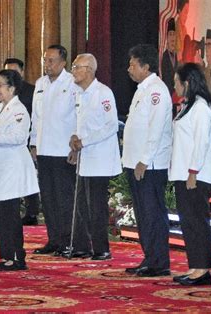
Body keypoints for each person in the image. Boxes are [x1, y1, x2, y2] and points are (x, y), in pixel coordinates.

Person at [0, 69, 39, 271]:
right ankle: (6, 256)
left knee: (10, 214)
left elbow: (18, 137)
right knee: (0, 214)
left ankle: (17, 257)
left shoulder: (19, 110)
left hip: (12, 167)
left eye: (0, 85)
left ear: (12, 88)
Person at [123, 44, 173, 277]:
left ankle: (159, 262)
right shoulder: (142, 89)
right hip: (136, 163)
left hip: (150, 165)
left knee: (152, 213)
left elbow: (155, 129)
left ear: (146, 66)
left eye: (133, 64)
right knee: (143, 214)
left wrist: (144, 160)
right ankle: (150, 257)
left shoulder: (156, 90)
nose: (129, 69)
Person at [68, 53, 122, 260]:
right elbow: (80, 123)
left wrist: (85, 141)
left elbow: (110, 126)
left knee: (97, 206)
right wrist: (74, 140)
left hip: (100, 159)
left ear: (89, 69)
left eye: (76, 66)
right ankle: (84, 245)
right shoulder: (79, 93)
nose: (73, 71)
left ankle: (102, 248)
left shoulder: (103, 93)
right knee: (82, 204)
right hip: (85, 158)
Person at [169, 63, 211, 285]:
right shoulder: (188, 106)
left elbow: (202, 141)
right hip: (183, 173)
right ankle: (195, 266)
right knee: (188, 222)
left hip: (195, 174)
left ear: (187, 83)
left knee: (197, 221)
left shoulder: (201, 107)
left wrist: (193, 171)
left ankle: (203, 269)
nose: (175, 86)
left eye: (177, 82)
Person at [30, 44, 78, 255]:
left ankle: (68, 240)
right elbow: (35, 117)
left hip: (63, 150)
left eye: (51, 61)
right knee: (48, 198)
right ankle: (54, 239)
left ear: (63, 63)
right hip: (43, 148)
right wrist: (33, 143)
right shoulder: (40, 83)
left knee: (64, 198)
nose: (47, 65)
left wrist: (76, 147)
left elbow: (78, 116)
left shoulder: (73, 83)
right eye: (45, 60)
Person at [4, 58, 41, 226]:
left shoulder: (32, 91)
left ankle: (32, 211)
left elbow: (37, 117)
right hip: (9, 142)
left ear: (22, 72)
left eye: (14, 71)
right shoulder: (5, 92)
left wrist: (33, 143)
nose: (11, 75)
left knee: (29, 176)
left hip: (28, 140)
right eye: (7, 72)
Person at [161, 18, 178, 97]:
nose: (172, 37)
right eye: (170, 34)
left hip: (176, 94)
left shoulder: (176, 56)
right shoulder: (164, 56)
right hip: (168, 93)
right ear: (167, 38)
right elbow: (166, 79)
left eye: (174, 34)